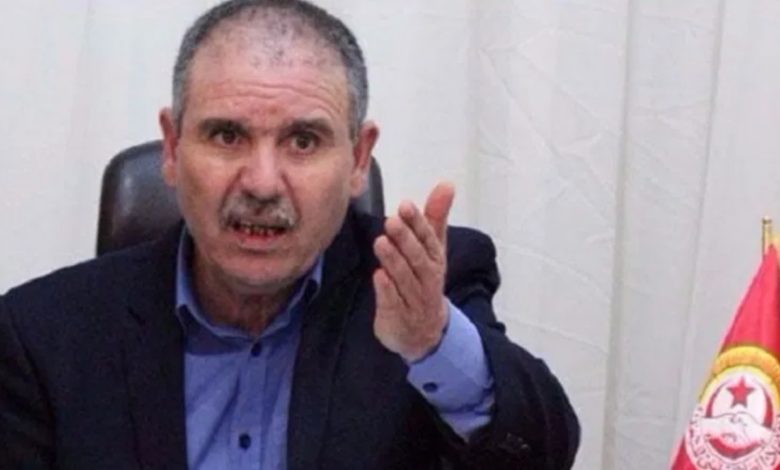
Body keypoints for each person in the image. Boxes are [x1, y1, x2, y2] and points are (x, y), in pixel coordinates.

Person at [0, 1, 579, 468]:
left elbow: (543, 453)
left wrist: (431, 344)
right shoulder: (41, 335)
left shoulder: (424, 290)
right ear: (173, 148)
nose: (261, 182)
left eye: (303, 141)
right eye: (227, 136)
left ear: (358, 158)